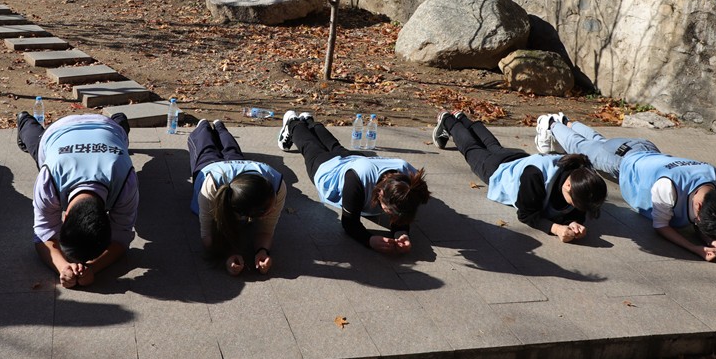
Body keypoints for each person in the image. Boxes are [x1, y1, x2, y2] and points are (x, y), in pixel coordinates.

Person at [535, 113, 716, 262]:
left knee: (598, 142)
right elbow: (661, 227)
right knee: (582, 149)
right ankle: (551, 123)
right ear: (697, 207)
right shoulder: (667, 188)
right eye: (697, 220)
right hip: (620, 158)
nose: (695, 222)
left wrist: (714, 242)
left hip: (646, 150)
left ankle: (567, 122)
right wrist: (695, 248)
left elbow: (704, 218)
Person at [433, 111, 606, 243]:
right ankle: (447, 119)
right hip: (498, 170)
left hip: (519, 159)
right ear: (568, 185)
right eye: (575, 203)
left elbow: (578, 208)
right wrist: (555, 228)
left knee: (491, 145)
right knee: (471, 148)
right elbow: (526, 214)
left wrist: (574, 222)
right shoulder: (536, 177)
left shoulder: (580, 174)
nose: (577, 208)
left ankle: (462, 117)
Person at [15, 111, 138, 288]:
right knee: (36, 144)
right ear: (64, 217)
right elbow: (42, 234)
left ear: (64, 217)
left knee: (118, 131)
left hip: (97, 129)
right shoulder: (49, 180)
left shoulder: (126, 181)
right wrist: (63, 267)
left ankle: (119, 119)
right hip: (79, 130)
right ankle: (24, 119)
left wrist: (91, 268)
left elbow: (122, 236)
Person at [278, 111, 429, 254]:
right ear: (381, 192)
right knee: (310, 146)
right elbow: (349, 223)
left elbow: (403, 207)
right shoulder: (357, 181)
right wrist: (369, 240)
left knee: (335, 146)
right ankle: (293, 122)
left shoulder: (408, 176)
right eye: (389, 211)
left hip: (357, 159)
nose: (389, 214)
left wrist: (402, 233)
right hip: (328, 168)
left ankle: (309, 121)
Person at [188, 119, 286, 276]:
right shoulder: (210, 190)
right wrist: (227, 254)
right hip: (210, 169)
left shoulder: (278, 187)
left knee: (231, 150)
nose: (275, 208)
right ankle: (203, 126)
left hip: (240, 168)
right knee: (205, 150)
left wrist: (262, 251)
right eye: (269, 209)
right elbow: (207, 234)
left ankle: (219, 126)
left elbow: (266, 231)